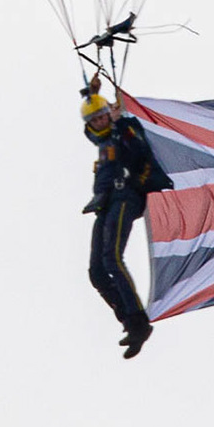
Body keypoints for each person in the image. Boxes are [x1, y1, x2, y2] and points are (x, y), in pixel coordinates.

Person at [81, 80, 173, 359]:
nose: (99, 121)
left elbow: (140, 151)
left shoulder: (125, 129)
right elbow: (92, 131)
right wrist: (93, 95)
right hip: (105, 203)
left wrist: (119, 121)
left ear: (109, 114)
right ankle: (130, 322)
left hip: (126, 197)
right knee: (97, 271)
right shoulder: (102, 138)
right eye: (94, 120)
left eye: (102, 116)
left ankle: (139, 321)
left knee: (112, 258)